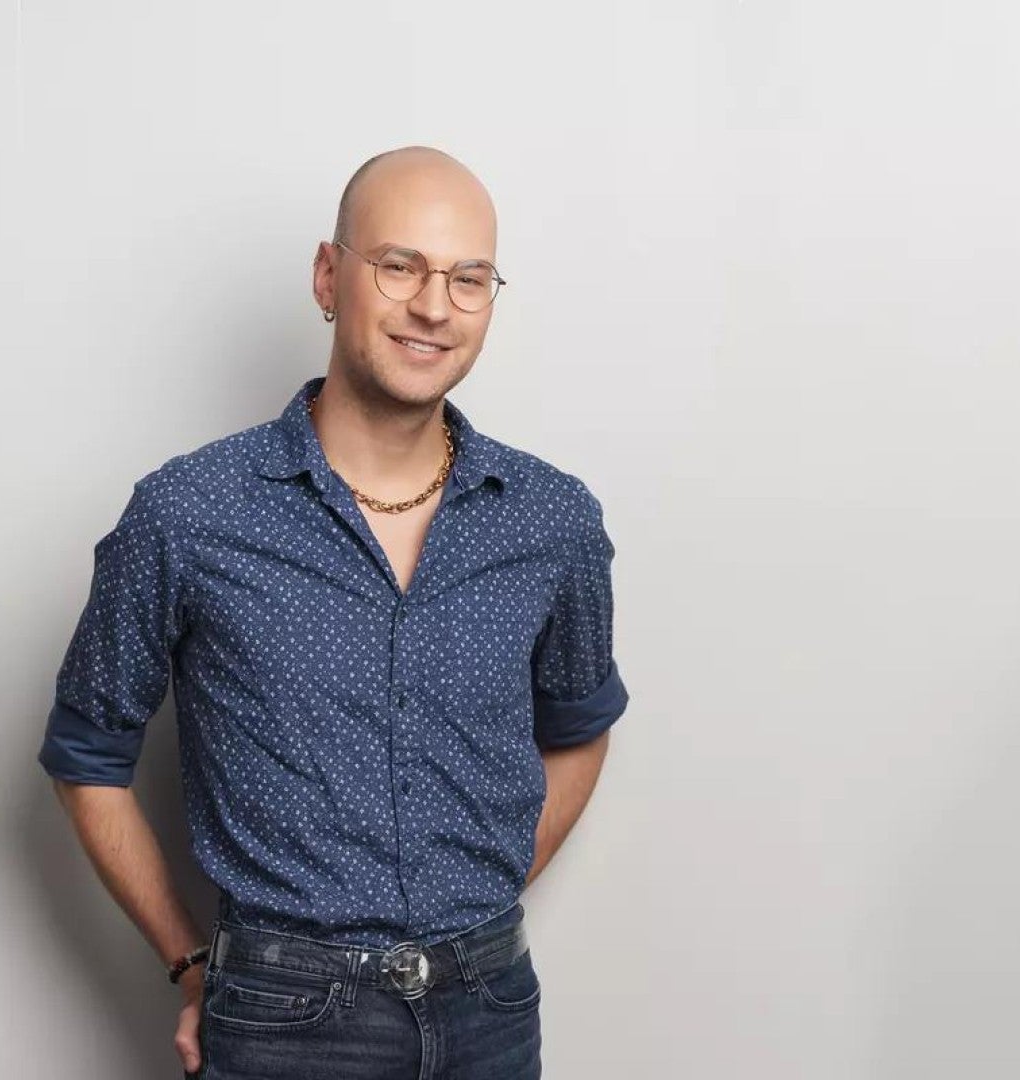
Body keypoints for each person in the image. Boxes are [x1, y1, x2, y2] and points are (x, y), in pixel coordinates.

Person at [38, 145, 629, 1079]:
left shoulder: (551, 519)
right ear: (329, 274)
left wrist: (479, 898)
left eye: (468, 278)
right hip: (283, 1023)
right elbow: (86, 756)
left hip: (493, 1012)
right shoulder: (191, 513)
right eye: (400, 265)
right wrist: (192, 963)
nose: (435, 305)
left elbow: (580, 728)